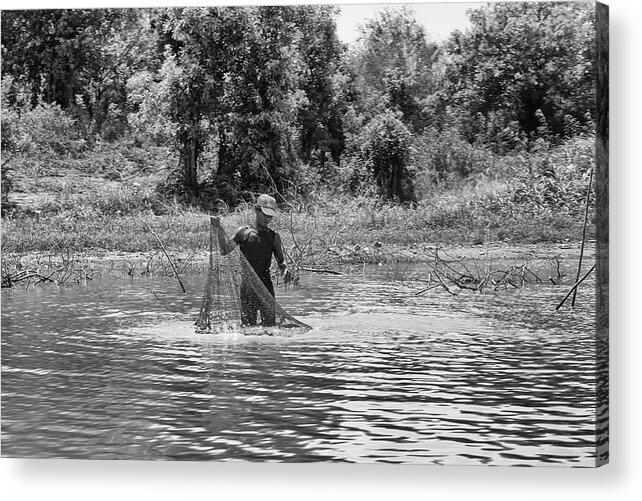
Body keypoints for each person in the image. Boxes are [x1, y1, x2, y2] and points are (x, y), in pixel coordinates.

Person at [215, 194, 292, 326]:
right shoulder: (243, 233)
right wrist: (218, 230)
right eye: (265, 214)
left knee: (269, 328)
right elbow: (224, 250)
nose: (268, 219)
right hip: (247, 288)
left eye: (270, 216)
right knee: (248, 327)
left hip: (266, 288)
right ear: (257, 209)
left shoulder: (274, 237)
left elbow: (281, 261)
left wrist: (285, 270)